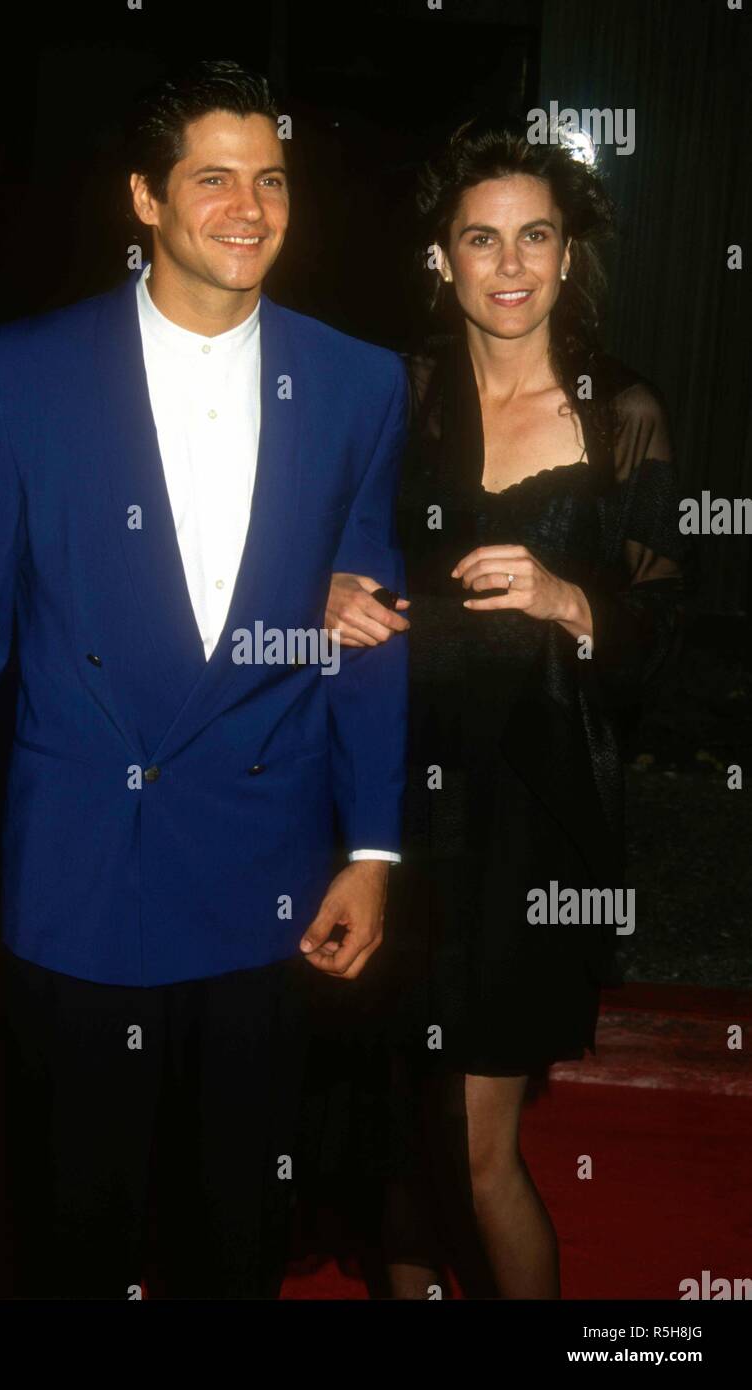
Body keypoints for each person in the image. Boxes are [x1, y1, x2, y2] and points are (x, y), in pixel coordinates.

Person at [0, 59, 409, 1300]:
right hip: (79, 872)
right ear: (143, 199)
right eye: (212, 177)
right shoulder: (22, 376)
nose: (249, 207)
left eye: (271, 179)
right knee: (71, 1237)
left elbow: (370, 623)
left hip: (263, 869)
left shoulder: (355, 381)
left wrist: (373, 849)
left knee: (236, 1242)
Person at [325, 117, 691, 1298]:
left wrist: (566, 595)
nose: (511, 263)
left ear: (568, 251)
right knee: (392, 1143)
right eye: (480, 239)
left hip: (528, 822)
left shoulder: (619, 410)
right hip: (387, 806)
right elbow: (324, 542)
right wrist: (321, 588)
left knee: (481, 1153)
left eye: (536, 234)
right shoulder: (399, 393)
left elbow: (665, 633)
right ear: (443, 258)